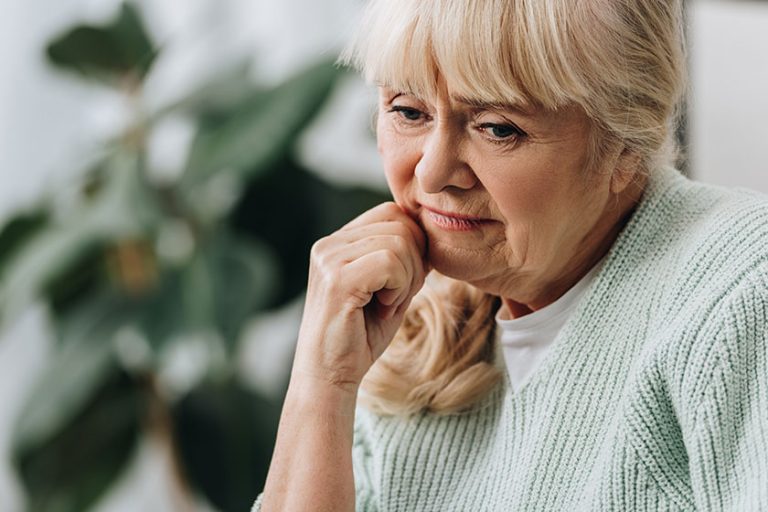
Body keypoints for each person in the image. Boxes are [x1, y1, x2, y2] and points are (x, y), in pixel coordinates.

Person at [254, 0, 768, 510]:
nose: (432, 173)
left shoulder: (742, 290)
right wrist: (323, 383)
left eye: (499, 128)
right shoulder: (406, 327)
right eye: (408, 111)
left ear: (625, 148)